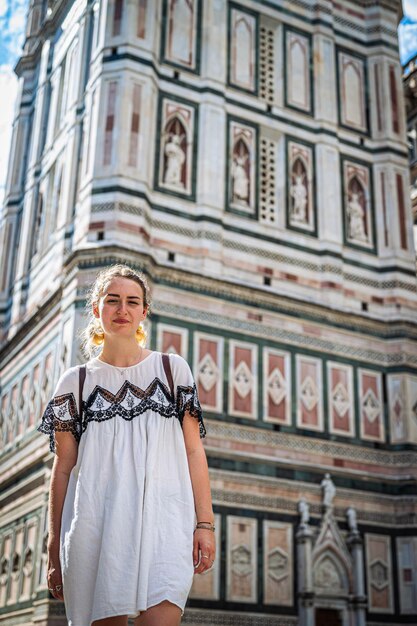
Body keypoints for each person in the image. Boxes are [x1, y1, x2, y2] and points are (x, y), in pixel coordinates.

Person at [37, 264, 215, 626]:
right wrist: (54, 547)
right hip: (96, 526)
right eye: (113, 300)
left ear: (143, 313)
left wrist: (205, 525)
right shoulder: (77, 382)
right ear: (96, 309)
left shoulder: (172, 370)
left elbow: (195, 452)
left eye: (132, 302)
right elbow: (64, 469)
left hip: (165, 522)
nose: (122, 310)